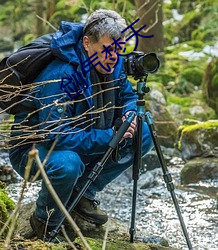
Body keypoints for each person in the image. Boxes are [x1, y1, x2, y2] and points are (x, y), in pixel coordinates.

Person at [9, 9, 153, 241]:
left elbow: (127, 96)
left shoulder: (112, 62)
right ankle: (44, 221)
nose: (114, 56)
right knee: (68, 164)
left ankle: (83, 193)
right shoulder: (62, 75)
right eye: (107, 49)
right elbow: (55, 135)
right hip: (35, 150)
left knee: (143, 132)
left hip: (84, 136)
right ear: (87, 43)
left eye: (119, 49)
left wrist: (129, 114)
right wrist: (110, 135)